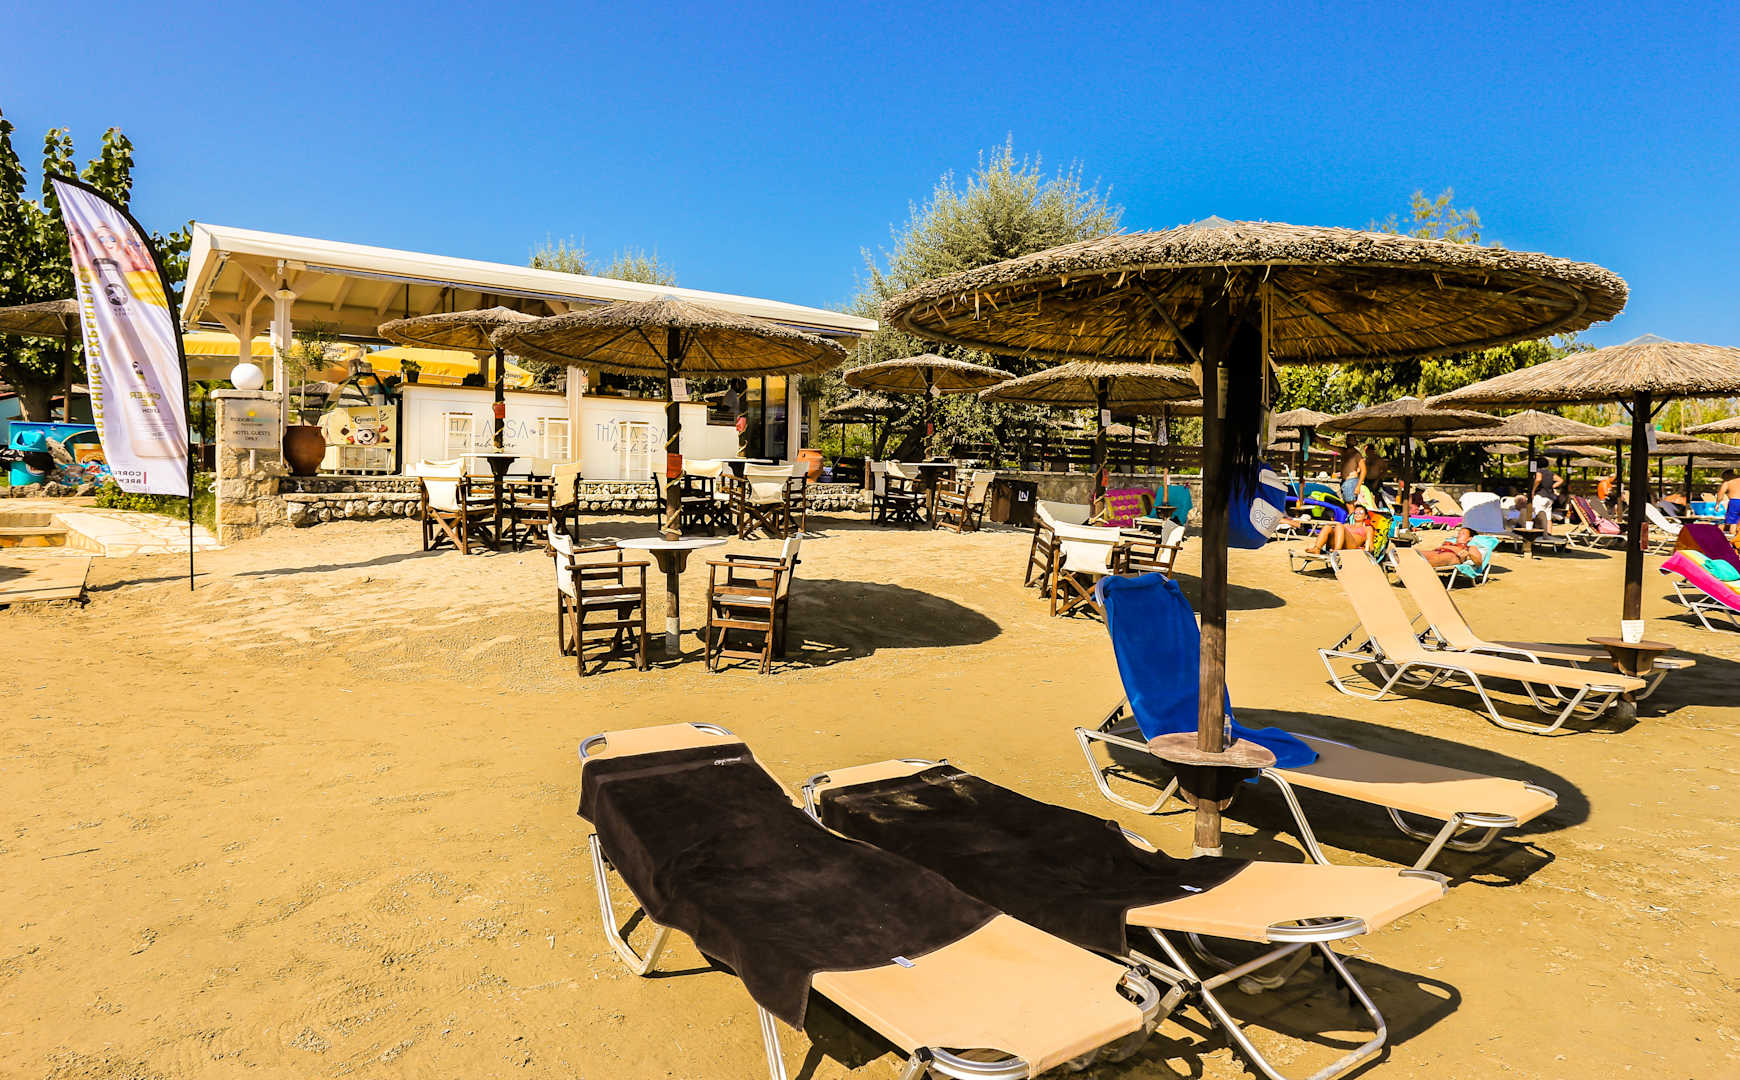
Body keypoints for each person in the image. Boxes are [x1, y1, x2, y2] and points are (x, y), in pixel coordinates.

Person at [1305, 503, 1371, 555]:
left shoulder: (1368, 528)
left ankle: (1337, 550)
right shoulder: (1346, 525)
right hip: (1339, 544)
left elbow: (1371, 546)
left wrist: (1366, 549)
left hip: (1353, 547)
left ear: (1366, 516)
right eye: (1356, 512)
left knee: (1339, 525)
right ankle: (1317, 548)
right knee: (1327, 527)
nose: (1358, 514)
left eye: (1361, 513)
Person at [1719, 469, 1740, 539]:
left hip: (1735, 502)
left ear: (1727, 475)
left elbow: (1721, 493)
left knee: (1733, 523)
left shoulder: (1728, 482)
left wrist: (1717, 503)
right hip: (1735, 502)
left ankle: (1733, 539)